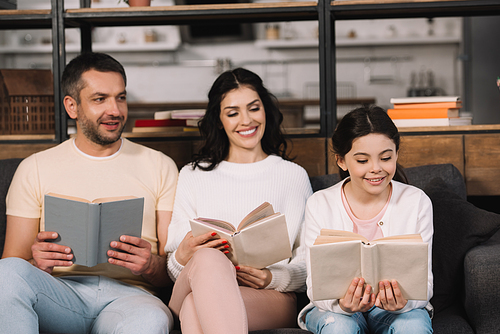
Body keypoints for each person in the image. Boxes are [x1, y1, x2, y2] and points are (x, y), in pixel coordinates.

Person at [0, 52, 178, 334]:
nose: (115, 110)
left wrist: (149, 265)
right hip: (60, 293)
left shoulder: (160, 166)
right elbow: (13, 264)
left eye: (121, 97)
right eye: (100, 99)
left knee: (150, 320)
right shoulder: (34, 167)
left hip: (131, 298)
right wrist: (39, 264)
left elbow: (173, 271)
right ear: (72, 106)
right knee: (6, 273)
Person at [164, 67, 313, 333]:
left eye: (253, 108)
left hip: (270, 296)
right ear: (220, 120)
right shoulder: (192, 175)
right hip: (192, 282)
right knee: (209, 261)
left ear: (265, 110)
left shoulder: (293, 176)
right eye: (233, 113)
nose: (246, 120)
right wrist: (181, 256)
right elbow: (175, 270)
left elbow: (310, 260)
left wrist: (273, 277)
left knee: (194, 308)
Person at [298, 106, 433, 333]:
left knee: (413, 325)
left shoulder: (416, 201)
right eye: (362, 160)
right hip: (334, 310)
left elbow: (425, 284)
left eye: (386, 158)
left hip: (396, 311)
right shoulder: (320, 204)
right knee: (339, 327)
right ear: (341, 161)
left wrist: (404, 303)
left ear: (396, 154)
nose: (376, 169)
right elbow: (314, 287)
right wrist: (341, 305)